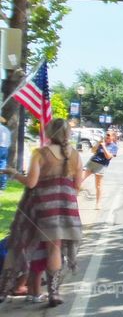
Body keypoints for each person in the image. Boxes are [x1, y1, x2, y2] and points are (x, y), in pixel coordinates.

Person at [0, 118, 83, 307]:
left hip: (42, 207)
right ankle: (54, 292)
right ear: (67, 135)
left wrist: (12, 172)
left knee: (27, 244)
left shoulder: (40, 153)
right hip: (66, 208)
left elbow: (31, 182)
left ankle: (9, 287)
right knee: (54, 248)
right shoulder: (75, 155)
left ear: (48, 133)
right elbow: (77, 185)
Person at [80, 130, 119, 209]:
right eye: (106, 135)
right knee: (79, 179)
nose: (106, 136)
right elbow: (93, 151)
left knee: (98, 186)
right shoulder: (101, 143)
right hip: (91, 163)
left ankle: (98, 204)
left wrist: (104, 146)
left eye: (108, 135)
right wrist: (99, 144)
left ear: (113, 137)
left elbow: (108, 157)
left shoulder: (114, 146)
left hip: (101, 166)